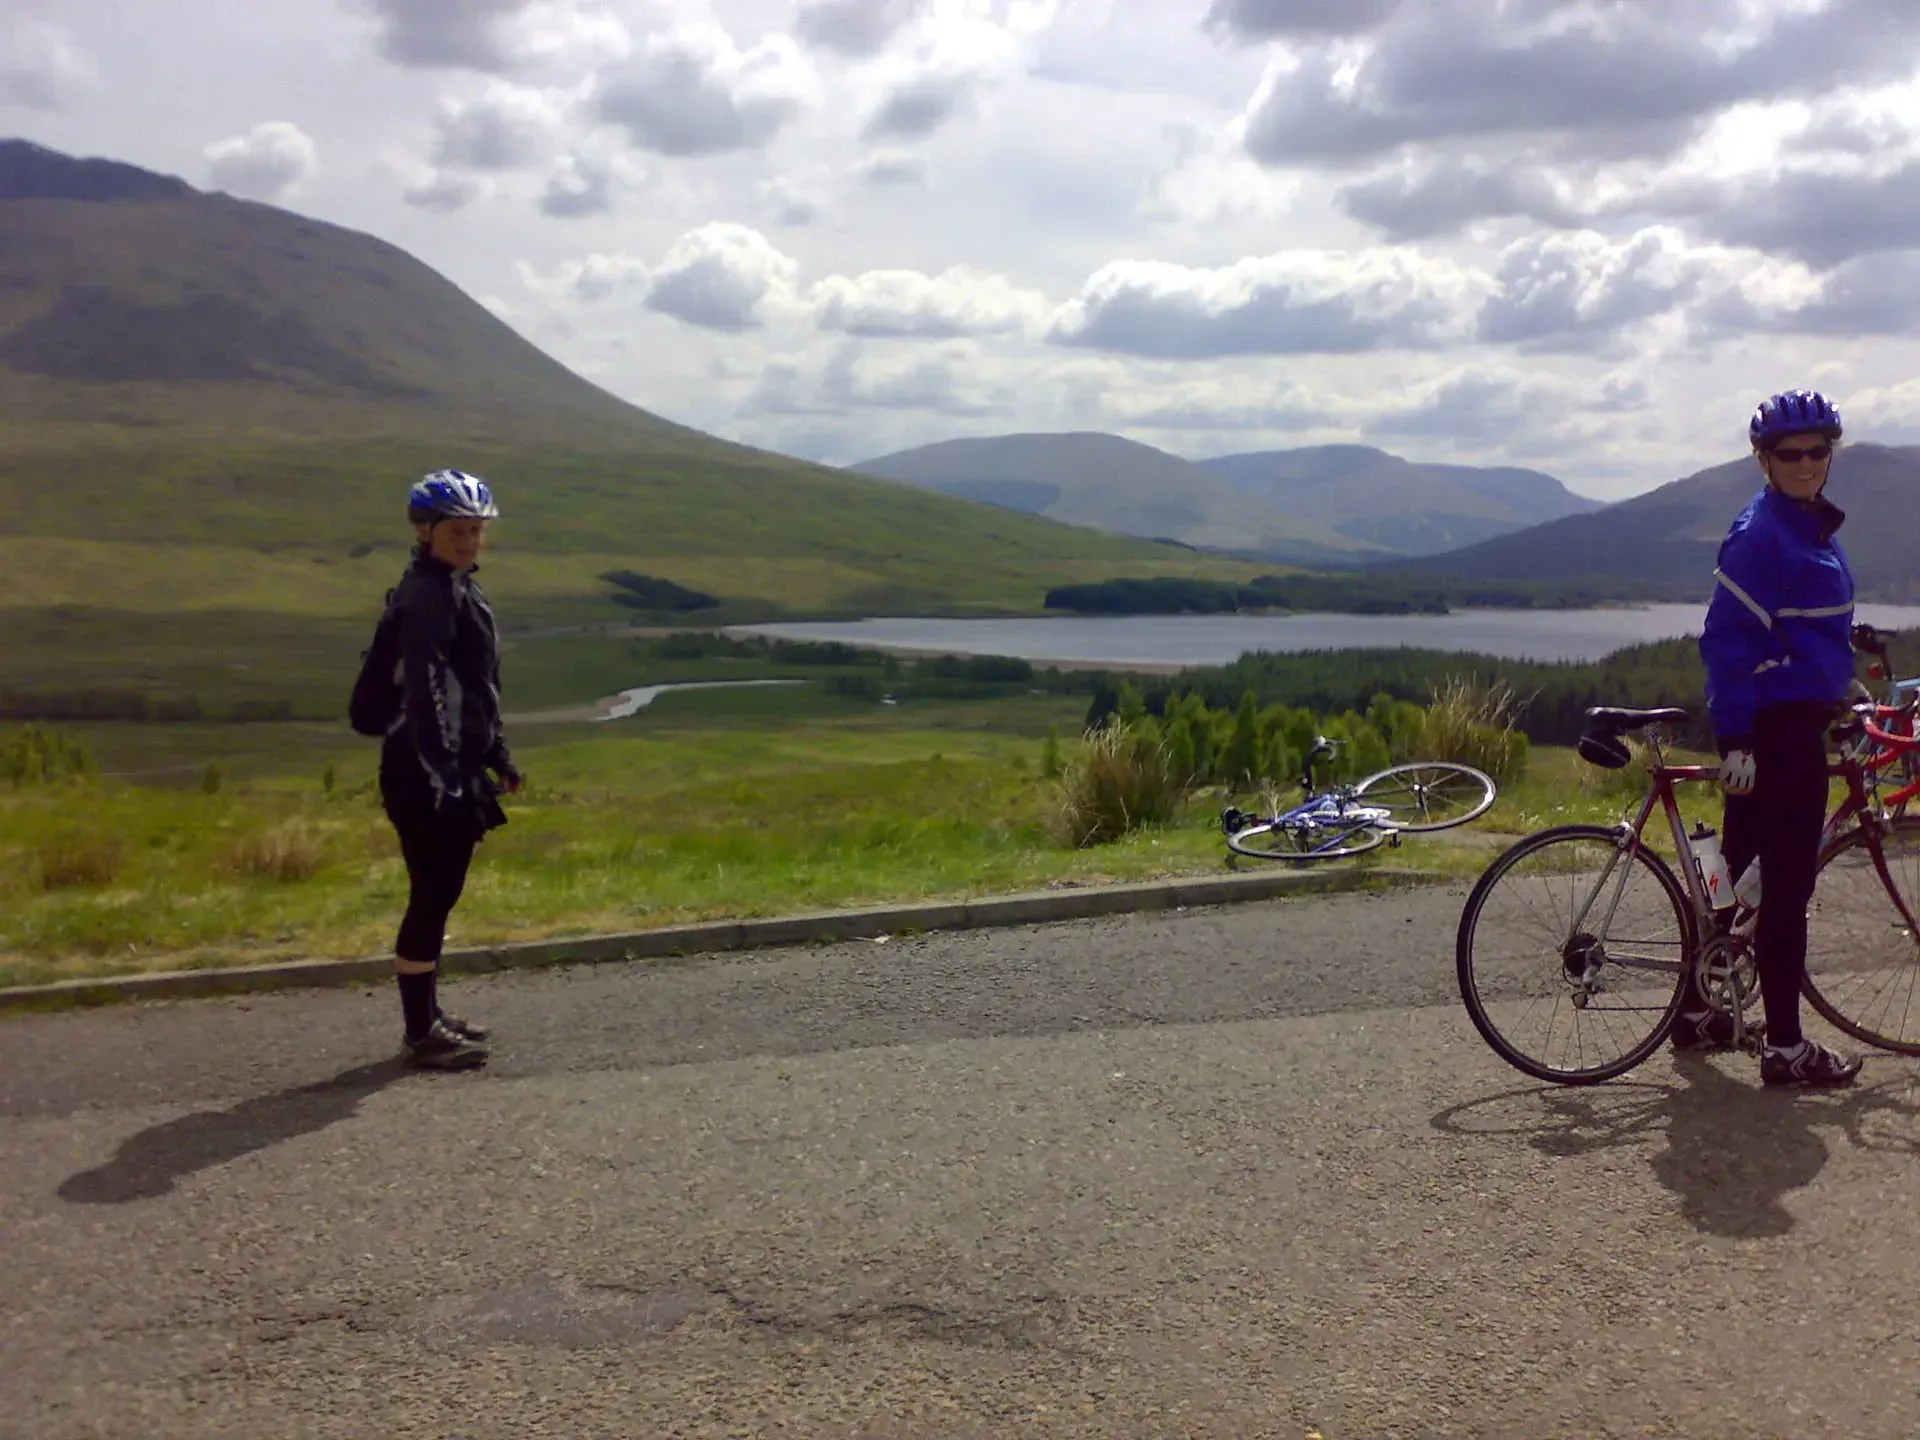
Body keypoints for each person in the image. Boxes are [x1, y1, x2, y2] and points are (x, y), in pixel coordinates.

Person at [1682, 389, 1863, 1087]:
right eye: (1790, 453)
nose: (1807, 462)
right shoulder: (1763, 534)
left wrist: (1841, 674)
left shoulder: (1808, 523)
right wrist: (1736, 740)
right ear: (1764, 458)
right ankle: (1785, 1049)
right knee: (1787, 893)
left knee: (1735, 879)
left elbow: (1804, 630)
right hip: (1775, 735)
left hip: (1789, 720)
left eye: (1819, 450)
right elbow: (1726, 643)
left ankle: (1700, 1014)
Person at [380, 469, 523, 1071]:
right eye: (456, 531)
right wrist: (448, 777)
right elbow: (431, 693)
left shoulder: (455, 587)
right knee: (432, 897)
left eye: (475, 531)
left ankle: (428, 1016)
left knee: (438, 895)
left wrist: (495, 756)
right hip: (425, 771)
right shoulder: (429, 597)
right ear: (425, 530)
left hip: (447, 764)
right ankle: (420, 1035)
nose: (468, 541)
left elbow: (476, 687)